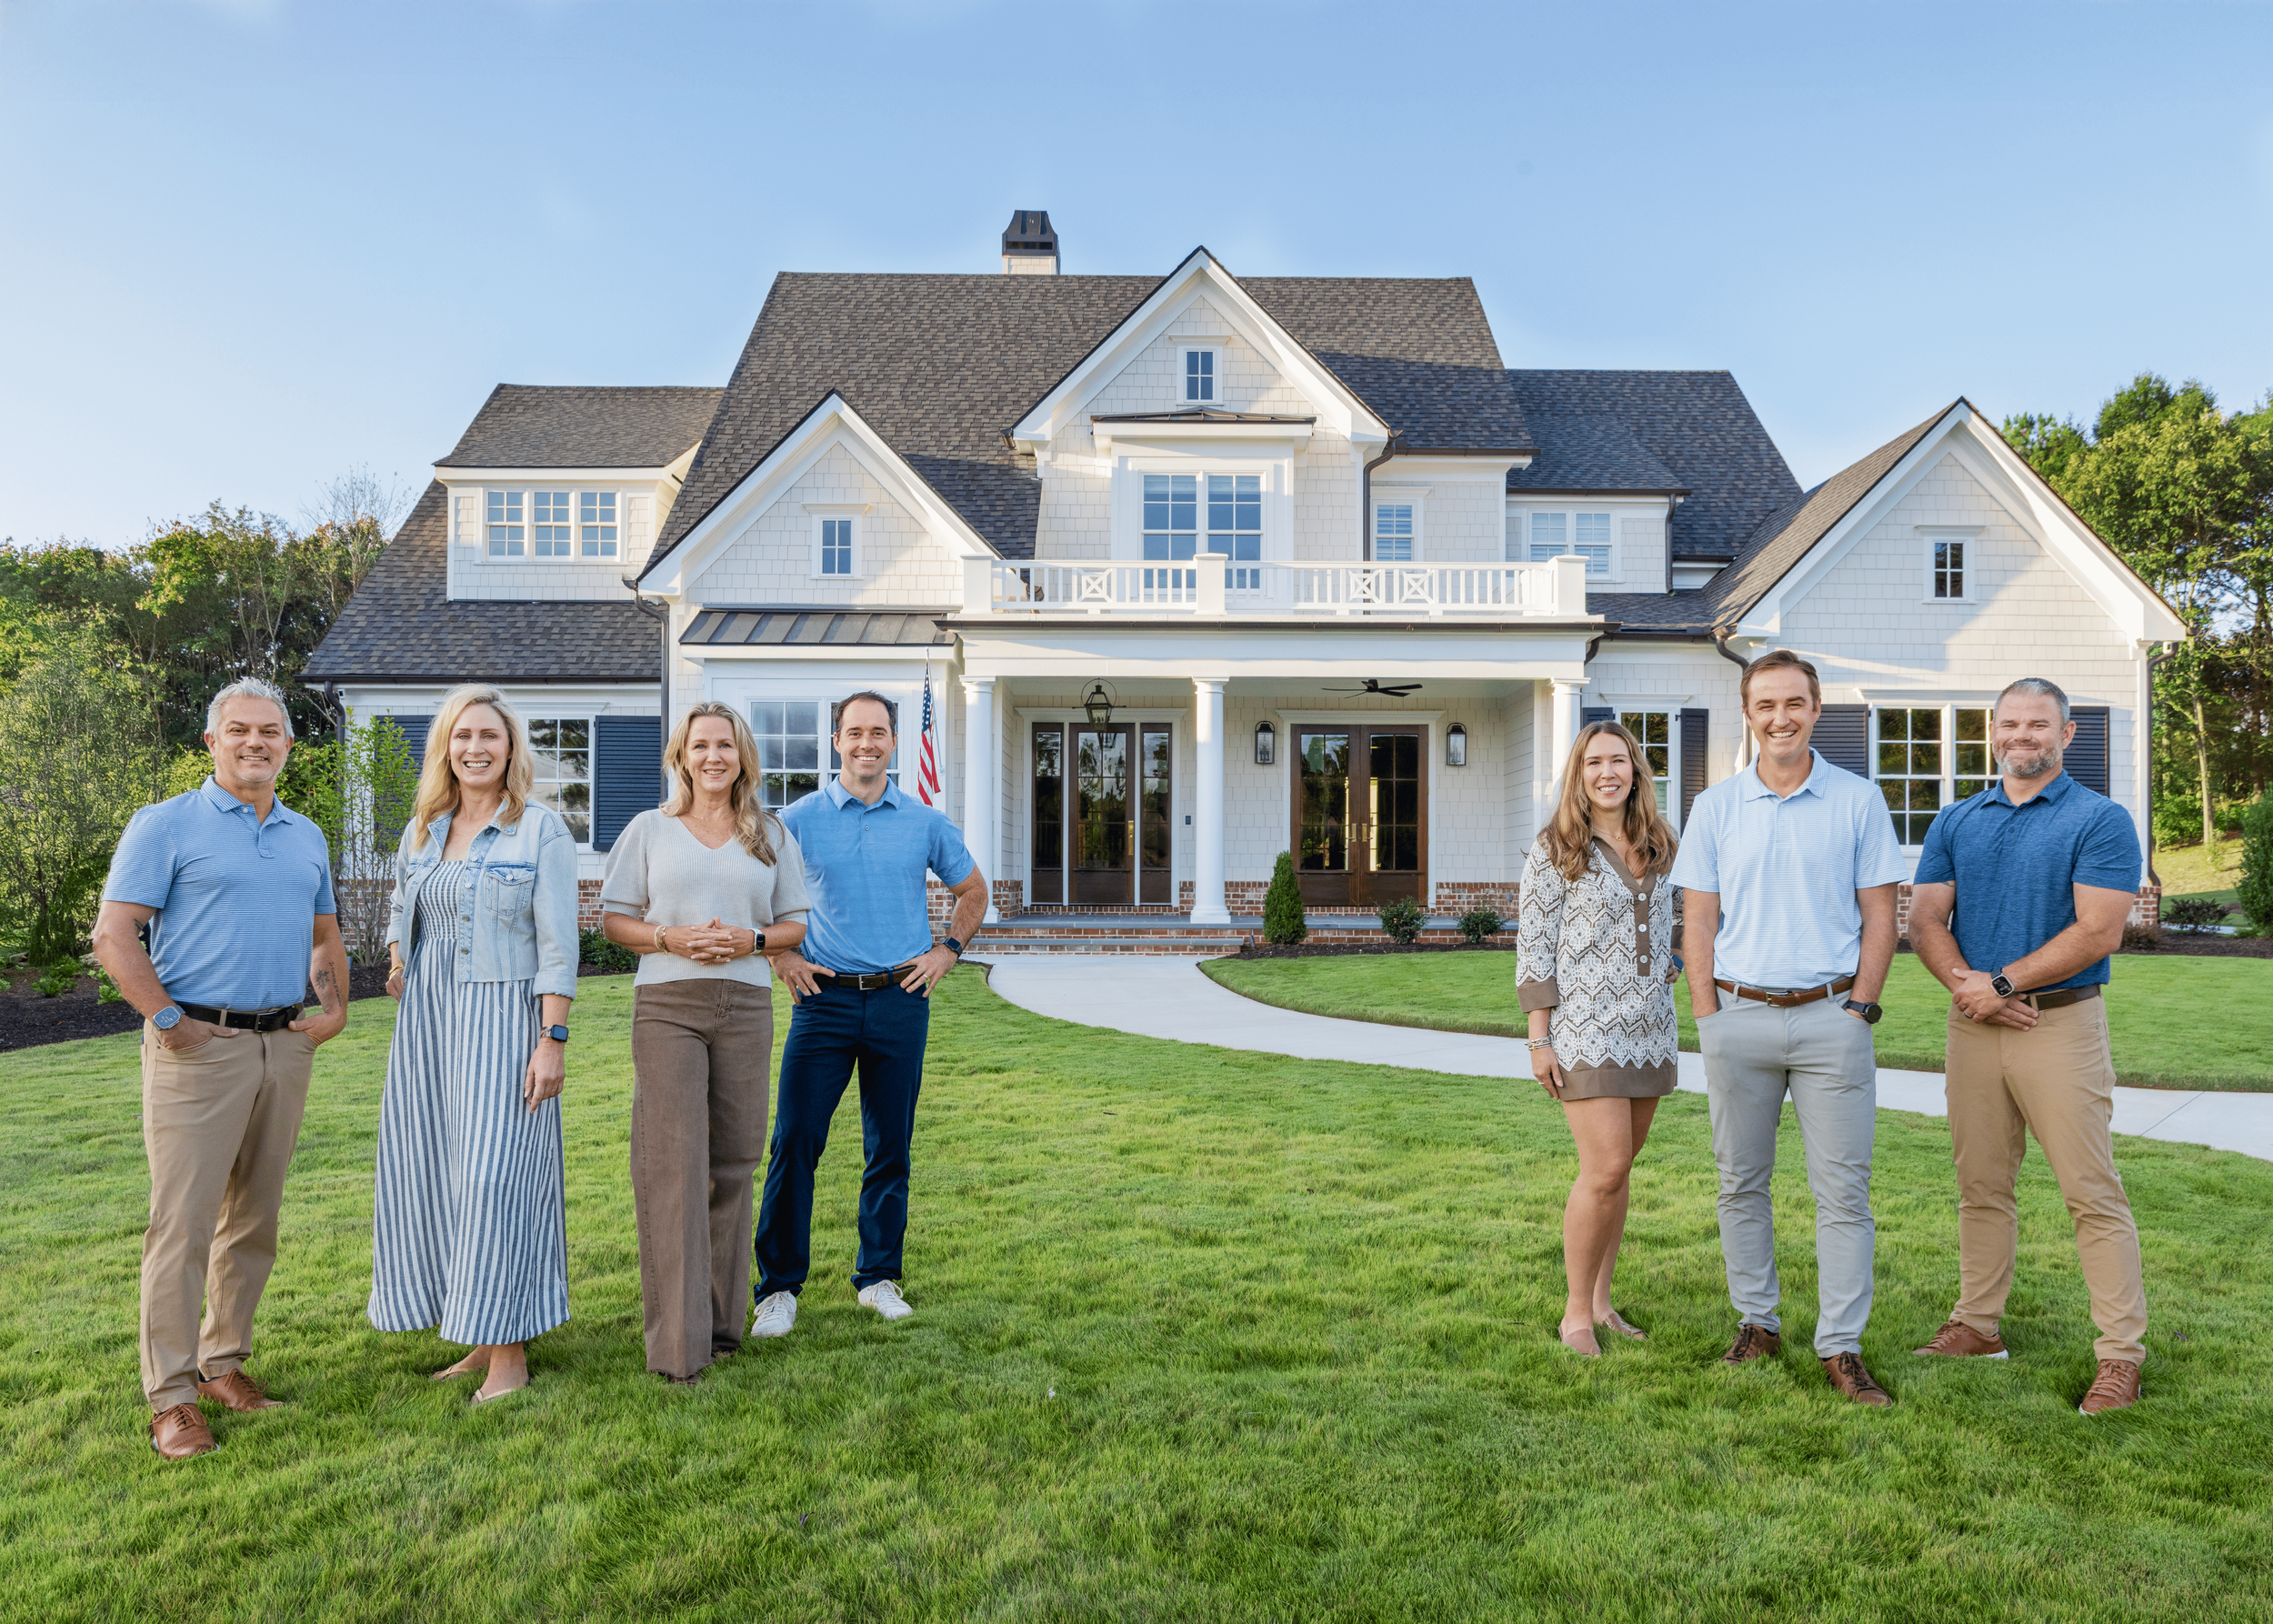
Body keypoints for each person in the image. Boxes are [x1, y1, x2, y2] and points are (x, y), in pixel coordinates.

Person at [92, 677, 351, 1461]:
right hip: (199, 1047)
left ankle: (222, 1363)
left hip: (283, 1044)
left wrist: (333, 1010)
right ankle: (171, 1399)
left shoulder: (306, 835)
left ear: (288, 746)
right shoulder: (166, 824)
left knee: (254, 1219)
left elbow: (324, 935)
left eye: (269, 731)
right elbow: (114, 935)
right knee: (183, 1224)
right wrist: (169, 1022)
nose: (255, 742)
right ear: (211, 742)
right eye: (239, 730)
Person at [1670, 648, 1906, 1406]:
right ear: (1747, 714)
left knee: (1844, 1194)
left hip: (1833, 1020)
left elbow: (1881, 914)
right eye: (1766, 705)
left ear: (1816, 709)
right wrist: (1707, 1017)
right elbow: (1697, 921)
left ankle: (1841, 1346)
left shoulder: (1859, 800)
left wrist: (1861, 1006)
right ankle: (1758, 1323)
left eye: (1794, 703)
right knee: (1740, 1183)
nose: (1781, 718)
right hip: (1736, 1016)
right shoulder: (1715, 807)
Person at [1907, 678, 2148, 1415]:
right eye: (2009, 723)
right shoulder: (1957, 819)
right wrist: (1970, 988)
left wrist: (2003, 984)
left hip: (2059, 1026)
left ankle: (2121, 1357)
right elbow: (1925, 919)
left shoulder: (2099, 819)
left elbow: (2099, 931)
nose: (2022, 736)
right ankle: (1977, 1326)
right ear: (1992, 731)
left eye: (2038, 724)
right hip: (1974, 1025)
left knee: (2091, 1192)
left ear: (2066, 734)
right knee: (1981, 1186)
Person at [750, 690, 989, 1338]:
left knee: (890, 1146)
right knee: (795, 1142)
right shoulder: (797, 820)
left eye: (878, 732)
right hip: (822, 1002)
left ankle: (878, 1277)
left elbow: (973, 891)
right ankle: (778, 1289)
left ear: (893, 742)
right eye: (854, 732)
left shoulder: (924, 821)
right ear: (837, 741)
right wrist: (783, 957)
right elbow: (755, 893)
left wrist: (947, 951)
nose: (866, 743)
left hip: (900, 1000)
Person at [367, 685, 578, 1404]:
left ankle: (510, 1354)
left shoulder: (539, 830)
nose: (475, 748)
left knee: (495, 1178)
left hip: (504, 1019)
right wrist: (400, 958)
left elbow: (559, 944)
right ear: (446, 748)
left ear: (510, 747)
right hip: (429, 1023)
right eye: (462, 736)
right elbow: (403, 903)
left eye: (489, 735)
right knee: (437, 1172)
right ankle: (481, 1336)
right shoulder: (424, 828)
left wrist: (552, 1039)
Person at [599, 702, 811, 1384]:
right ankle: (678, 1349)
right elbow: (614, 920)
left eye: (725, 745)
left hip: (745, 1005)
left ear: (743, 756)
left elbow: (794, 924)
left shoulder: (770, 833)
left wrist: (753, 939)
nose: (713, 757)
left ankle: (721, 1329)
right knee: (674, 1166)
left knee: (734, 1165)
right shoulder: (649, 829)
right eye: (700, 746)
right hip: (669, 1006)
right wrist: (671, 937)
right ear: (681, 757)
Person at [1518, 720, 1682, 1358]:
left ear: (1636, 770)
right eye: (1593, 763)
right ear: (1578, 775)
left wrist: (1670, 958)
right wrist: (1539, 1041)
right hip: (1586, 1029)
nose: (1607, 773)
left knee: (1620, 1172)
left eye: (1618, 760)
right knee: (1605, 1168)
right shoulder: (1556, 848)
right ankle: (1575, 1315)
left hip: (1651, 1029)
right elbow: (1535, 948)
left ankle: (1603, 1303)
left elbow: (1674, 919)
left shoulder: (1661, 841)